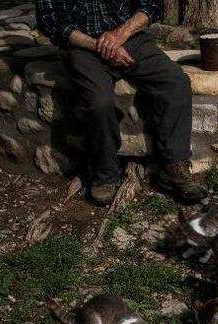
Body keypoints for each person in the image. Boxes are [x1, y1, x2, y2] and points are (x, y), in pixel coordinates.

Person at [35, 0, 207, 205]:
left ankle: (175, 166)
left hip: (130, 38)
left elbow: (151, 6)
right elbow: (52, 21)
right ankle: (105, 174)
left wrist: (119, 35)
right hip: (83, 46)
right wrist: (102, 47)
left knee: (176, 83)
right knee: (99, 102)